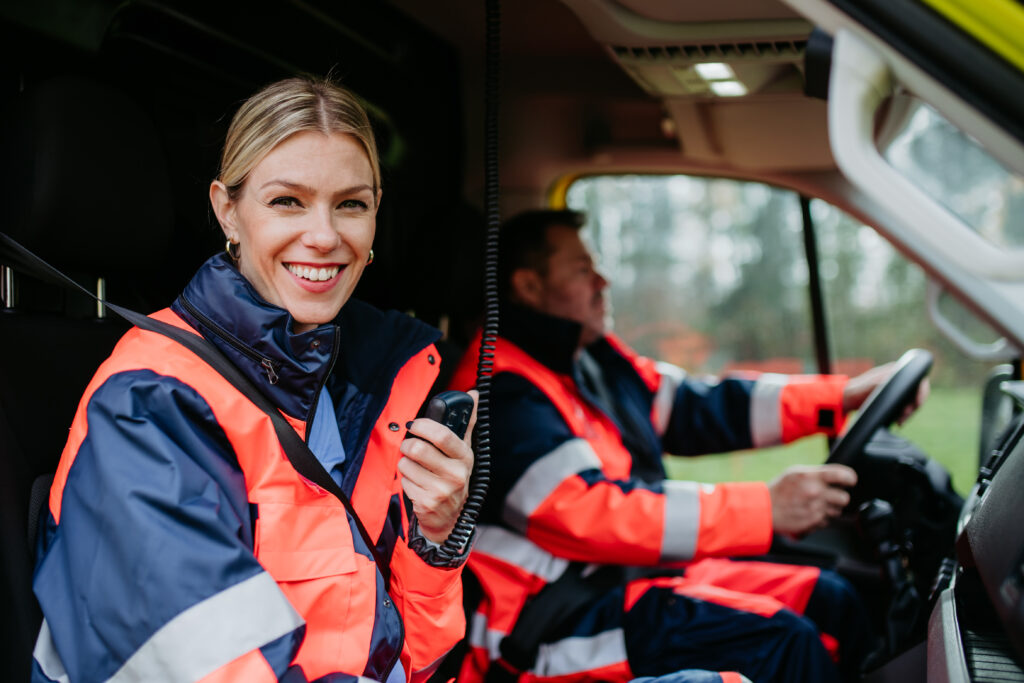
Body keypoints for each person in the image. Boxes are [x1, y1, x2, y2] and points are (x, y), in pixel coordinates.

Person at [31, 77, 476, 683]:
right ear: (227, 210)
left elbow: (406, 662)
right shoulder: (151, 401)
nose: (324, 236)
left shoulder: (359, 382)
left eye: (351, 204)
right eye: (287, 201)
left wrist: (433, 538)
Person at [449, 209, 927, 683]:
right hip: (551, 623)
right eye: (582, 270)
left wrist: (841, 397)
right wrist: (766, 508)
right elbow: (589, 511)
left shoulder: (589, 360)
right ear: (528, 286)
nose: (603, 281)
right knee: (783, 641)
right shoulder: (499, 389)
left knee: (832, 599)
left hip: (626, 576)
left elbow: (703, 408)